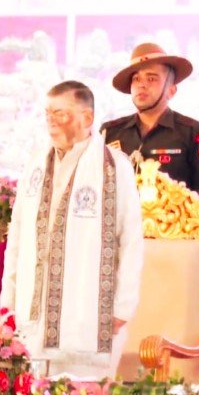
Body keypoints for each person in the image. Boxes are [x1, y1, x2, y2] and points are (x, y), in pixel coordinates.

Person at [1, 81, 144, 378]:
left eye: (61, 114)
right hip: (34, 313)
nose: (51, 121)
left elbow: (131, 241)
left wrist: (123, 307)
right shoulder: (35, 164)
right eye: (48, 114)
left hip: (88, 315)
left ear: (87, 118)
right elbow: (17, 236)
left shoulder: (114, 167)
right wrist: (8, 300)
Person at [100, 43, 199, 201]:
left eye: (151, 78)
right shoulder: (110, 133)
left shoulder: (195, 134)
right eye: (136, 79)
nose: (142, 84)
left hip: (172, 217)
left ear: (171, 91)